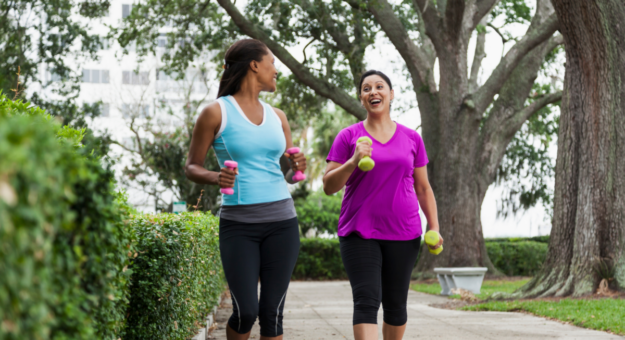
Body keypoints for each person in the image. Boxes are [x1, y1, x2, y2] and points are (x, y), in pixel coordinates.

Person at [185, 39, 306, 340]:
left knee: (272, 315)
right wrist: (216, 177)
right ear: (255, 65)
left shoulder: (278, 117)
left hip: (282, 223)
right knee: (246, 312)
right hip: (239, 226)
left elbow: (289, 175)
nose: (276, 71)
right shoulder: (216, 112)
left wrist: (297, 165)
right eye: (272, 63)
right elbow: (192, 166)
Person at [322, 70, 443, 340]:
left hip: (404, 230)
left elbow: (423, 188)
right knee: (366, 300)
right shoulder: (348, 136)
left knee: (396, 305)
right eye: (366, 89)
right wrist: (353, 161)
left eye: (379, 87)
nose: (373, 92)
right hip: (359, 230)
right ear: (361, 98)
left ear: (391, 94)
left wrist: (433, 226)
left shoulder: (412, 138)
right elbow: (329, 185)